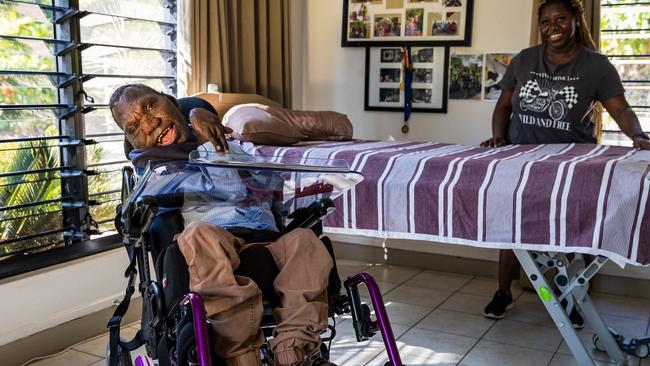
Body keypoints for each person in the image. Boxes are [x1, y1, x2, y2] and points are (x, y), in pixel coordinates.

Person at [109, 83, 337, 366]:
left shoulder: (234, 145)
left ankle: (295, 352)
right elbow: (225, 191)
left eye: (151, 106)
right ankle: (240, 357)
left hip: (267, 240)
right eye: (133, 128)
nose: (150, 123)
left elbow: (274, 186)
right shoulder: (156, 170)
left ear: (170, 101)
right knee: (198, 234)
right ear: (133, 143)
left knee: (305, 240)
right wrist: (209, 144)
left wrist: (210, 138)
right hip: (214, 243)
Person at [480, 0, 650, 323]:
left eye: (560, 19)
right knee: (510, 227)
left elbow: (621, 110)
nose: (552, 27)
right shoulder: (524, 60)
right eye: (545, 21)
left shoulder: (597, 66)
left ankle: (571, 297)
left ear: (575, 20)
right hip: (521, 158)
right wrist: (498, 136)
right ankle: (503, 291)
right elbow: (503, 106)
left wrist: (637, 136)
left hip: (570, 165)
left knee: (568, 229)